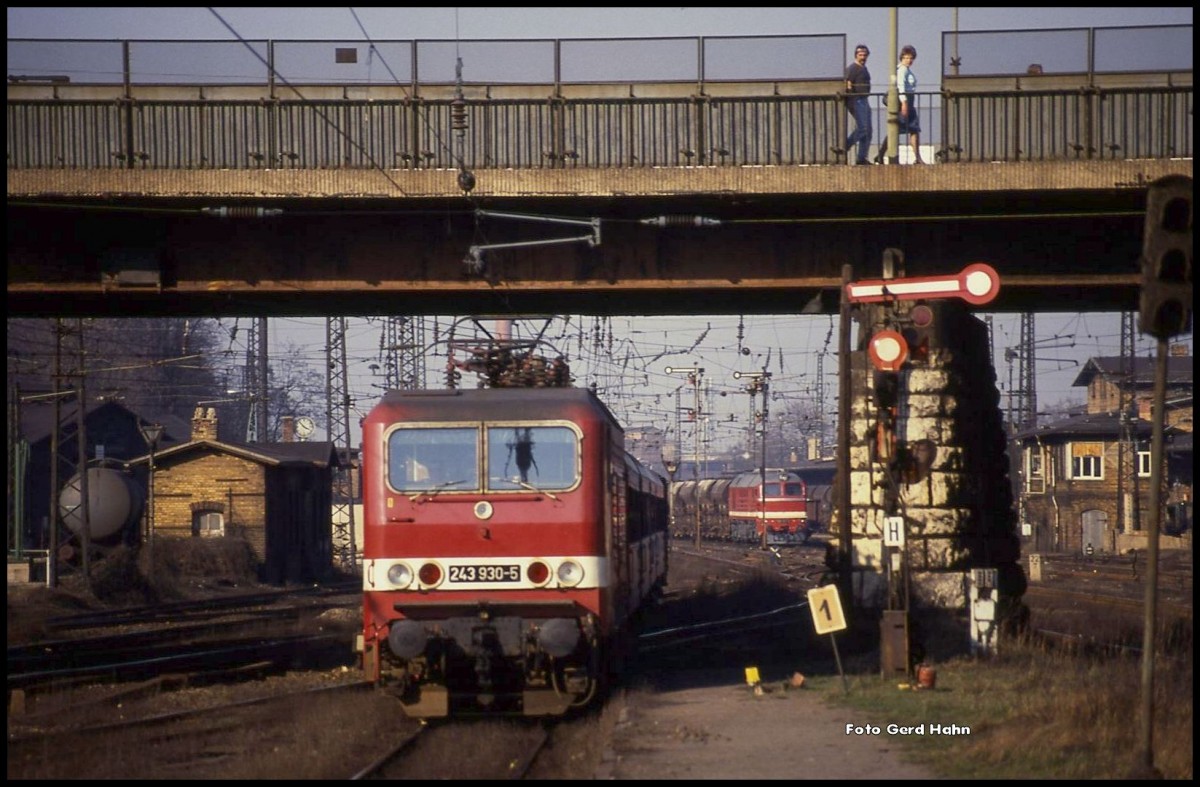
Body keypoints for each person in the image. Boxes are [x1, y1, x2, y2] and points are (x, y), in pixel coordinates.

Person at [896, 44, 926, 164]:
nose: (909, 60)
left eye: (911, 58)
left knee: (913, 129)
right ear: (902, 57)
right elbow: (900, 85)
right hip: (905, 101)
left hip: (909, 101)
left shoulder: (906, 70)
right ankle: (882, 153)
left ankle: (917, 157)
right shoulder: (902, 70)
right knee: (899, 129)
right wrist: (904, 102)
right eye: (907, 57)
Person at [843, 44, 872, 165]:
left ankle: (861, 157)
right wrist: (851, 99)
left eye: (865, 55)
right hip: (857, 100)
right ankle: (845, 145)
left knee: (868, 130)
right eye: (861, 55)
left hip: (864, 100)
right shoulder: (853, 68)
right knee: (863, 129)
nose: (863, 57)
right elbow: (848, 83)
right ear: (856, 55)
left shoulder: (864, 68)